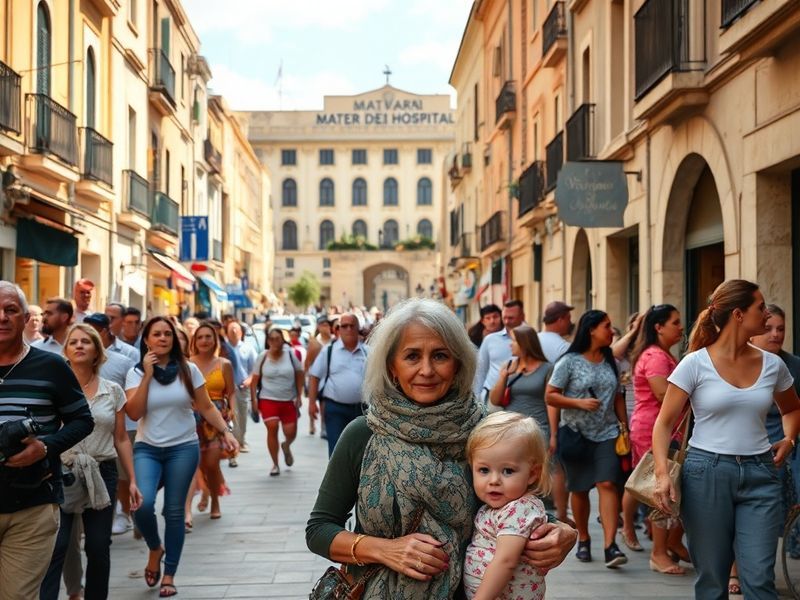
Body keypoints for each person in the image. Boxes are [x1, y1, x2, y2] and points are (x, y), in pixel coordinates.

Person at [306, 298, 577, 598]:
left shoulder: (487, 429)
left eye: (440, 356)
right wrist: (385, 550)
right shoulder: (364, 433)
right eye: (411, 356)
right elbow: (319, 529)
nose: (426, 370)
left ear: (458, 363)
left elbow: (519, 505)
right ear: (391, 367)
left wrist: (562, 532)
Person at [653, 279, 800, 600]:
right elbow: (663, 424)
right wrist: (663, 474)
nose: (766, 315)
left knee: (759, 580)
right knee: (712, 581)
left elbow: (792, 408)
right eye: (760, 307)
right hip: (706, 474)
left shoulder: (773, 365)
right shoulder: (694, 363)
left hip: (762, 474)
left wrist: (789, 439)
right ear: (738, 314)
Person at [125, 316, 239, 598]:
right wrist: (149, 376)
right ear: (147, 340)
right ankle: (155, 548)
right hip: (148, 448)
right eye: (156, 334)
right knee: (142, 504)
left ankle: (169, 574)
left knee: (174, 511)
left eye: (167, 334)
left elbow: (207, 407)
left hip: (182, 448)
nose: (162, 338)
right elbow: (134, 413)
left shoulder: (188, 370)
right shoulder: (136, 374)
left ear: (174, 340)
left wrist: (227, 432)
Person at [0, 281, 94, 599]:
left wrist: (44, 446)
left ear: (26, 317)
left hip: (33, 505)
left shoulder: (51, 366)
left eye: (11, 310)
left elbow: (83, 420)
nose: (2, 317)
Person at [40, 324, 142, 600]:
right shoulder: (53, 389)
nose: (79, 345)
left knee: (98, 546)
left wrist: (132, 480)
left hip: (102, 471)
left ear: (97, 350)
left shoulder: (113, 391)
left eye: (86, 341)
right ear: (66, 351)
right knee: (57, 544)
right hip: (61, 471)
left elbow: (121, 438)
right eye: (73, 342)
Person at [545, 309, 629, 568]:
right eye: (607, 326)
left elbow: (616, 396)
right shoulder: (569, 361)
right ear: (591, 329)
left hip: (606, 434)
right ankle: (583, 537)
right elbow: (550, 395)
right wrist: (578, 403)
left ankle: (610, 545)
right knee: (579, 489)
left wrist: (625, 427)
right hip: (576, 434)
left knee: (607, 484)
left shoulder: (609, 360)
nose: (611, 331)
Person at [619, 304, 687, 575]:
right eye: (675, 322)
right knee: (660, 489)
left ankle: (668, 544)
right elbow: (662, 393)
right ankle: (659, 552)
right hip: (654, 430)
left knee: (660, 489)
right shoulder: (656, 356)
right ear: (659, 327)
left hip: (657, 428)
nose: (681, 327)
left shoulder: (659, 354)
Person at [463, 412, 551, 600]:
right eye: (484, 470)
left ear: (533, 474)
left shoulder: (519, 509)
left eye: (508, 471)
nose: (494, 480)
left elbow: (506, 561)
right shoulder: (499, 507)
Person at [488, 325, 568, 524]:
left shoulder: (547, 368)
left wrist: (553, 434)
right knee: (514, 468)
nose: (510, 345)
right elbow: (496, 399)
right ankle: (516, 509)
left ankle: (561, 513)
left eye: (514, 341)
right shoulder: (510, 366)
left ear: (524, 343)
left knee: (550, 469)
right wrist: (503, 376)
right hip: (512, 430)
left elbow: (551, 402)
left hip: (539, 427)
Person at [189, 322, 236, 518]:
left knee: (212, 463)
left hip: (216, 418)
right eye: (200, 337)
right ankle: (205, 493)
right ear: (194, 341)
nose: (204, 341)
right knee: (197, 463)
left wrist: (233, 410)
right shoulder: (188, 364)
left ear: (215, 340)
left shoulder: (224, 364)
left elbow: (231, 392)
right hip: (193, 418)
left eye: (208, 336)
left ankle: (215, 501)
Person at [308, 313, 368, 456]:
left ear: (357, 328)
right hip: (335, 409)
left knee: (360, 452)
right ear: (339, 330)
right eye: (344, 326)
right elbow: (314, 376)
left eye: (351, 326)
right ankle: (337, 478)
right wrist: (311, 404)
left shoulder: (368, 352)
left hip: (362, 411)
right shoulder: (328, 351)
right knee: (336, 450)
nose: (348, 329)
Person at [251, 327, 304, 476]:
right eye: (271, 339)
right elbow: (254, 380)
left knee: (290, 432)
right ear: (268, 341)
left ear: (283, 340)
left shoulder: (291, 355)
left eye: (277, 339)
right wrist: (253, 400)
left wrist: (299, 395)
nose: (274, 342)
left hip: (288, 400)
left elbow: (300, 374)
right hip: (268, 399)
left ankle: (286, 445)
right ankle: (275, 464)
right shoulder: (263, 356)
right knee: (272, 428)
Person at [473, 300, 526, 403]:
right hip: (493, 398)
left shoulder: (532, 339)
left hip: (521, 398)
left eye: (511, 318)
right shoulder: (490, 340)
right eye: (504, 318)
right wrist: (477, 398)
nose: (506, 322)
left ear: (522, 316)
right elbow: (480, 370)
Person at [227, 320, 257, 454]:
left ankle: (241, 439)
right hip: (227, 388)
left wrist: (249, 380)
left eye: (236, 329)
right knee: (232, 415)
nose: (233, 331)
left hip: (242, 387)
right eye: (231, 329)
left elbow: (254, 368)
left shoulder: (248, 348)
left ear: (241, 332)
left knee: (243, 415)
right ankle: (235, 442)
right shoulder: (223, 349)